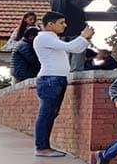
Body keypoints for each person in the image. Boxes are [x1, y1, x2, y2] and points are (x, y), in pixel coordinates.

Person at [34, 11, 95, 157]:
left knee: (50, 114)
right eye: (61, 22)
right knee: (46, 114)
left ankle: (44, 147)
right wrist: (82, 36)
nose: (65, 25)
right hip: (50, 79)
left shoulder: (52, 38)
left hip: (56, 79)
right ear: (50, 24)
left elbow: (77, 48)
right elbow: (71, 47)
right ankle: (42, 148)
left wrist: (85, 39)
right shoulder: (44, 38)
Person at [49, 0, 100, 72]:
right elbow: (81, 4)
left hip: (61, 30)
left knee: (65, 56)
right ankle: (75, 78)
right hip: (74, 29)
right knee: (77, 54)